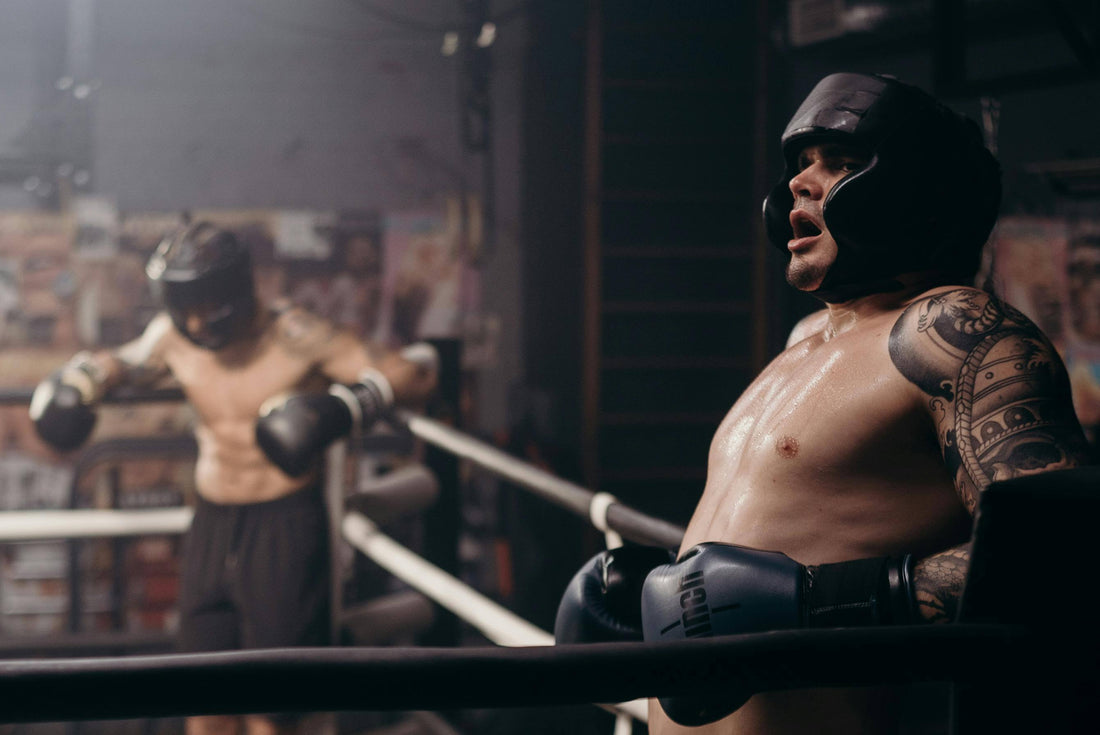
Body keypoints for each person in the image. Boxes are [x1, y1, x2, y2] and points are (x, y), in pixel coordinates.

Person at [554, 72, 1092, 734]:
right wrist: (655, 597)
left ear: (915, 191)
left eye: (837, 164)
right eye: (800, 167)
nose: (799, 185)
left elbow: (1059, 556)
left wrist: (819, 604)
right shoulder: (805, 339)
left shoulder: (956, 329)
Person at [29, 221, 438, 735]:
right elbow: (125, 362)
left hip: (284, 526)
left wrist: (347, 407)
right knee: (203, 694)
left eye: (207, 304)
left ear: (237, 290)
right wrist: (84, 377)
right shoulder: (173, 338)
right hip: (212, 521)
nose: (198, 322)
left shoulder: (297, 337)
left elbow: (414, 374)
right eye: (186, 307)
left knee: (273, 707)